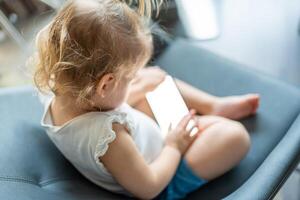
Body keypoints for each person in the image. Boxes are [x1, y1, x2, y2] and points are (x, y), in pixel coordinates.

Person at [33, 0, 259, 199]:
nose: (133, 80)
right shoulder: (109, 138)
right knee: (235, 136)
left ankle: (213, 106)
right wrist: (174, 146)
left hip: (141, 135)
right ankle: (202, 128)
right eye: (129, 78)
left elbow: (102, 107)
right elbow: (148, 187)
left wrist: (131, 86)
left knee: (154, 79)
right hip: (161, 170)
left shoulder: (58, 86)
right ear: (104, 85)